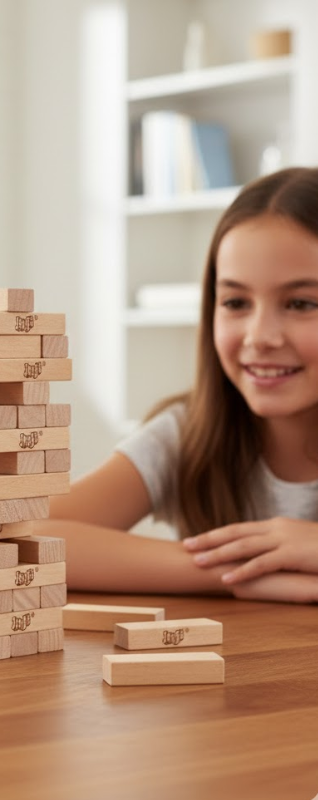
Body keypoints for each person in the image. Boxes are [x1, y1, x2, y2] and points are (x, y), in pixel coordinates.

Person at [45, 166, 318, 604]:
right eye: (235, 302)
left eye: (302, 303)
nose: (259, 337)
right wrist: (235, 571)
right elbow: (27, 540)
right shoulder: (188, 433)